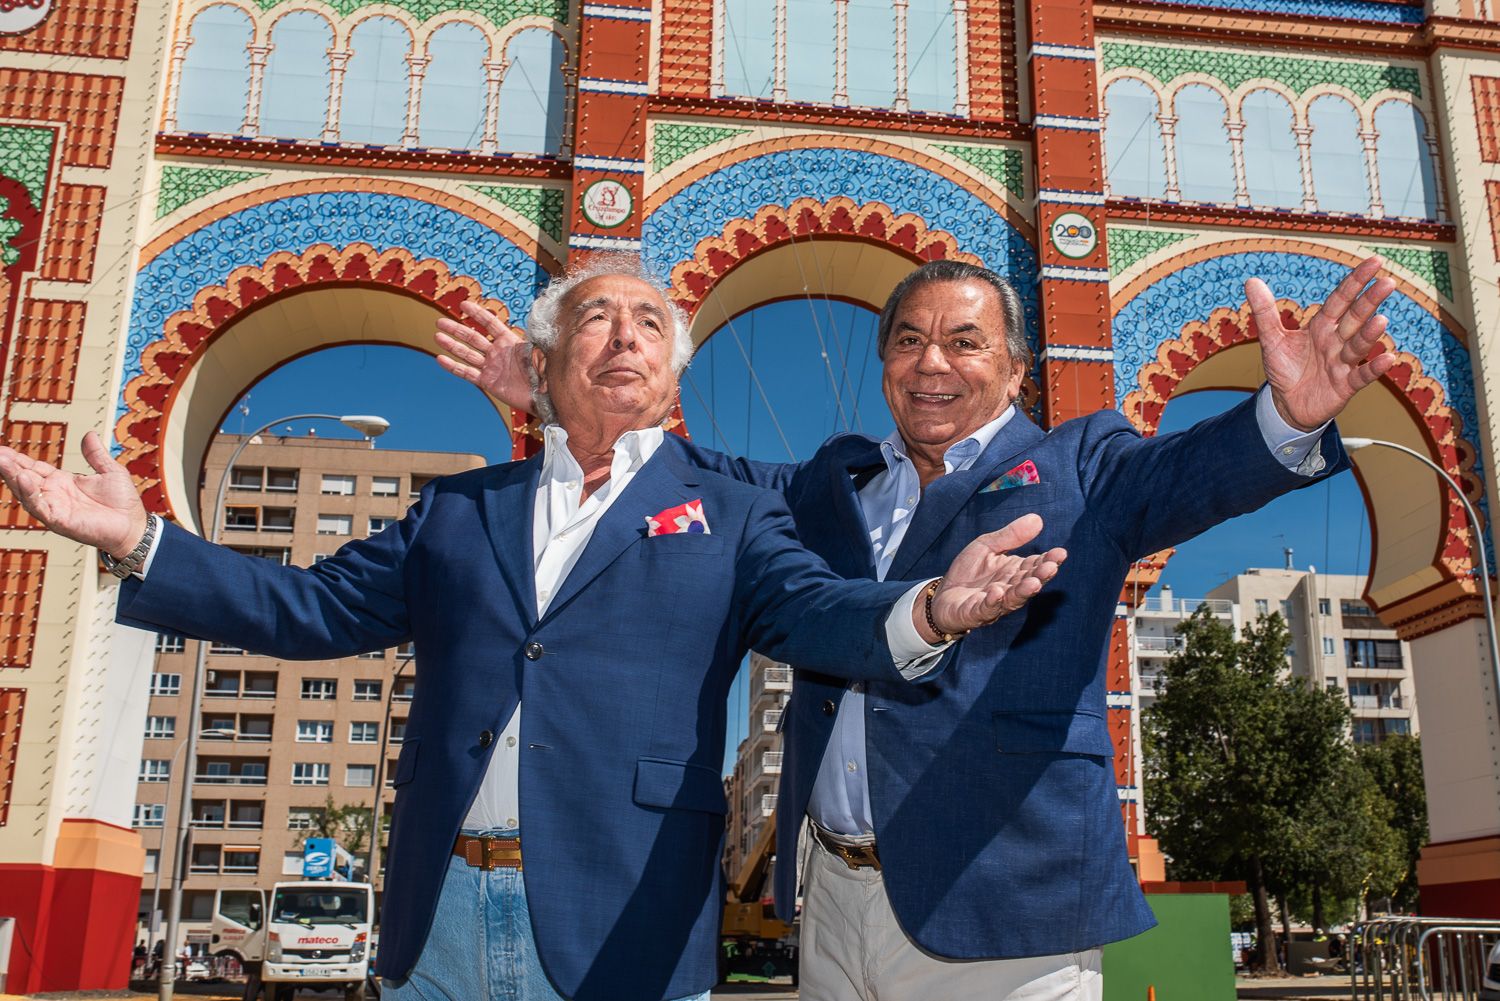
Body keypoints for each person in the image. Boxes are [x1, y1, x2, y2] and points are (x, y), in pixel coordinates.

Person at [0, 257, 1066, 1001]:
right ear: (544, 366)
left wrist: (925, 609)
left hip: (624, 908)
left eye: (650, 322)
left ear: (675, 372)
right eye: (596, 319)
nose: (625, 336)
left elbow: (817, 612)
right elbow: (309, 605)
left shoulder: (737, 513)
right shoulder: (461, 508)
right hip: (440, 905)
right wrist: (143, 543)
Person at [439, 255, 1394, 1000]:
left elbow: (1184, 476)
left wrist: (1282, 419)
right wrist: (562, 395)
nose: (932, 361)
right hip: (834, 899)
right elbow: (696, 475)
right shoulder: (829, 484)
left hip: (1003, 903)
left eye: (964, 341)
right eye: (907, 340)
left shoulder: (1080, 463)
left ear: (1017, 366)